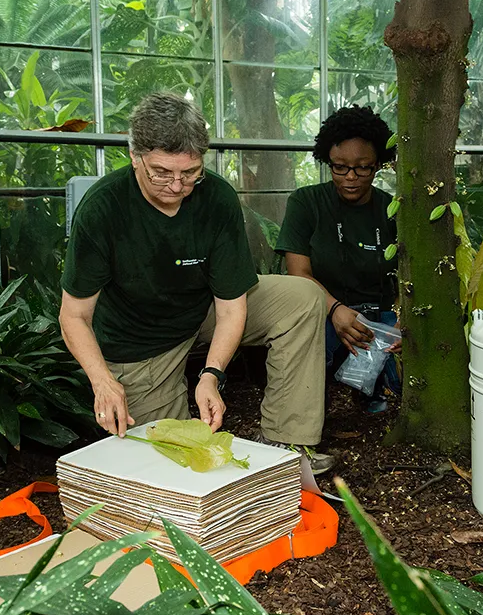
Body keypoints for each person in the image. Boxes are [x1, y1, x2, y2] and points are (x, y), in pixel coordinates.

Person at [58, 92, 334, 473]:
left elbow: (233, 304)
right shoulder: (102, 208)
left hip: (199, 309)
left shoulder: (217, 197)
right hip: (139, 342)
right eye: (161, 172)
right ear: (135, 157)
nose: (176, 186)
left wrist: (212, 374)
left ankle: (286, 446)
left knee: (302, 298)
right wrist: (103, 382)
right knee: (175, 464)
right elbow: (73, 315)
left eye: (190, 173)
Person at [275, 105, 400, 413]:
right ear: (327, 162)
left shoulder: (393, 209)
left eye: (363, 167)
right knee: (306, 355)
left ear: (378, 165)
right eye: (340, 167)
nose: (351, 177)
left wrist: (401, 319)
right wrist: (335, 310)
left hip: (379, 322)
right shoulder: (307, 203)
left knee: (400, 383)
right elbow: (298, 274)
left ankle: (376, 393)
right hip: (324, 313)